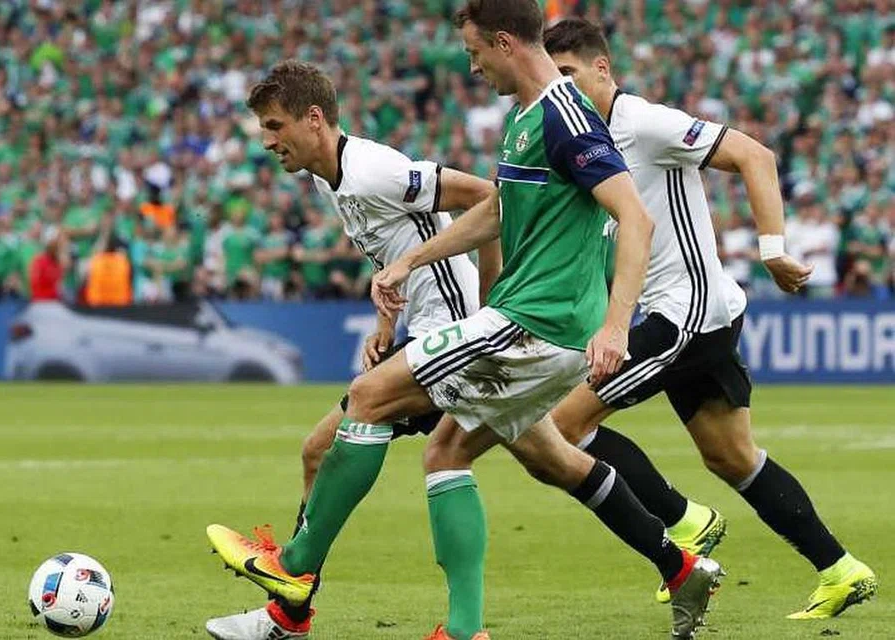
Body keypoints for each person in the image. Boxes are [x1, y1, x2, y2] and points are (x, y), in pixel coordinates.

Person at [207, 3, 723, 638]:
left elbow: (634, 218)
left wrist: (615, 324)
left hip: (536, 323)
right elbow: (499, 207)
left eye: (476, 52)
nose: (471, 66)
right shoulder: (525, 120)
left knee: (363, 405)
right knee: (465, 455)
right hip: (527, 323)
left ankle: (293, 576)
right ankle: (669, 568)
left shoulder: (564, 118)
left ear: (504, 43)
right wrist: (406, 267)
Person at [501, 16, 872, 618]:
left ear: (602, 68)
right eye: (554, 75)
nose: (561, 86)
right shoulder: (575, 135)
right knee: (731, 456)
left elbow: (755, 154)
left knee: (558, 424)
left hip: (687, 308)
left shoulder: (643, 122)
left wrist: (772, 248)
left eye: (568, 72)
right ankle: (840, 569)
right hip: (694, 312)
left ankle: (685, 522)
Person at [203, 59, 495, 640]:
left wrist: (488, 309)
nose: (266, 141)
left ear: (314, 119)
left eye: (275, 126)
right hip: (424, 329)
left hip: (456, 329)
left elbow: (488, 198)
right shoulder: (325, 175)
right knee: (319, 450)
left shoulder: (373, 170)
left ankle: (292, 588)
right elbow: (398, 245)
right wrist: (388, 320)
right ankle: (291, 611)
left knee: (460, 448)